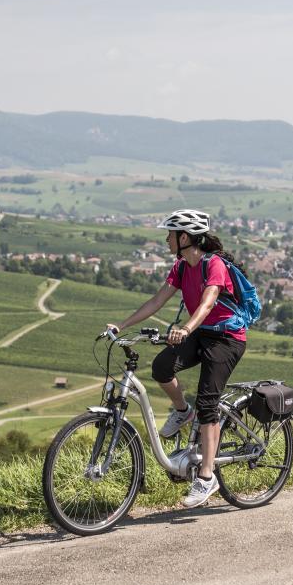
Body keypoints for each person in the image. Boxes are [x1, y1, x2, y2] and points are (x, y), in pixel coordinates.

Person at [106, 208, 247, 507]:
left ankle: (207, 478)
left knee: (208, 401)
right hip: (200, 332)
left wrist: (185, 328)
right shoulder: (182, 266)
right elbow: (157, 300)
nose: (167, 239)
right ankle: (183, 410)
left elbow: (208, 303)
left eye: (170, 234)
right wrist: (123, 324)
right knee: (161, 366)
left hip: (226, 338)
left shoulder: (215, 265)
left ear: (184, 237)